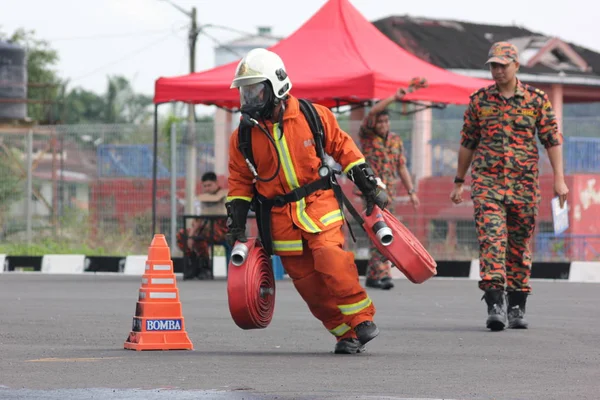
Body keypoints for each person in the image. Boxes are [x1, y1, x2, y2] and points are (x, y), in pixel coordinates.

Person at [225, 48, 389, 354]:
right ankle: (346, 334)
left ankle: (362, 318)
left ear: (277, 86)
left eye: (255, 92)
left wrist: (369, 186)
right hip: (280, 221)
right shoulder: (243, 137)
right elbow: (239, 183)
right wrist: (235, 224)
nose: (248, 100)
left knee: (330, 257)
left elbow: (345, 150)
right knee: (309, 287)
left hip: (319, 204)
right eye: (245, 93)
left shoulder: (312, 115)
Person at [449, 42, 569, 331]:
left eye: (503, 64)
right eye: (493, 65)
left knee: (518, 246)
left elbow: (552, 140)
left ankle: (516, 305)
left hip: (524, 186)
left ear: (516, 65)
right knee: (492, 241)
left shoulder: (536, 100)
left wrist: (559, 179)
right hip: (487, 184)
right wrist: (459, 181)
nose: (497, 70)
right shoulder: (479, 101)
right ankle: (494, 304)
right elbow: (468, 142)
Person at [358, 77, 428, 290]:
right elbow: (371, 113)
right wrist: (394, 98)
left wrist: (412, 191)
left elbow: (401, 167)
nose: (383, 125)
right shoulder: (367, 136)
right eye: (380, 122)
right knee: (379, 229)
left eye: (386, 121)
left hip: (389, 194)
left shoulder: (395, 140)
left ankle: (374, 275)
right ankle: (382, 273)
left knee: (387, 230)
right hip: (371, 192)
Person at [176, 171, 229, 280]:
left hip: (222, 231)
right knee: (182, 235)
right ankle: (194, 264)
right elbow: (197, 220)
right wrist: (190, 236)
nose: (207, 188)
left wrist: (193, 235)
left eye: (209, 185)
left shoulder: (225, 196)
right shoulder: (201, 200)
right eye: (205, 186)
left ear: (216, 183)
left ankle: (205, 267)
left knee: (200, 236)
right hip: (202, 229)